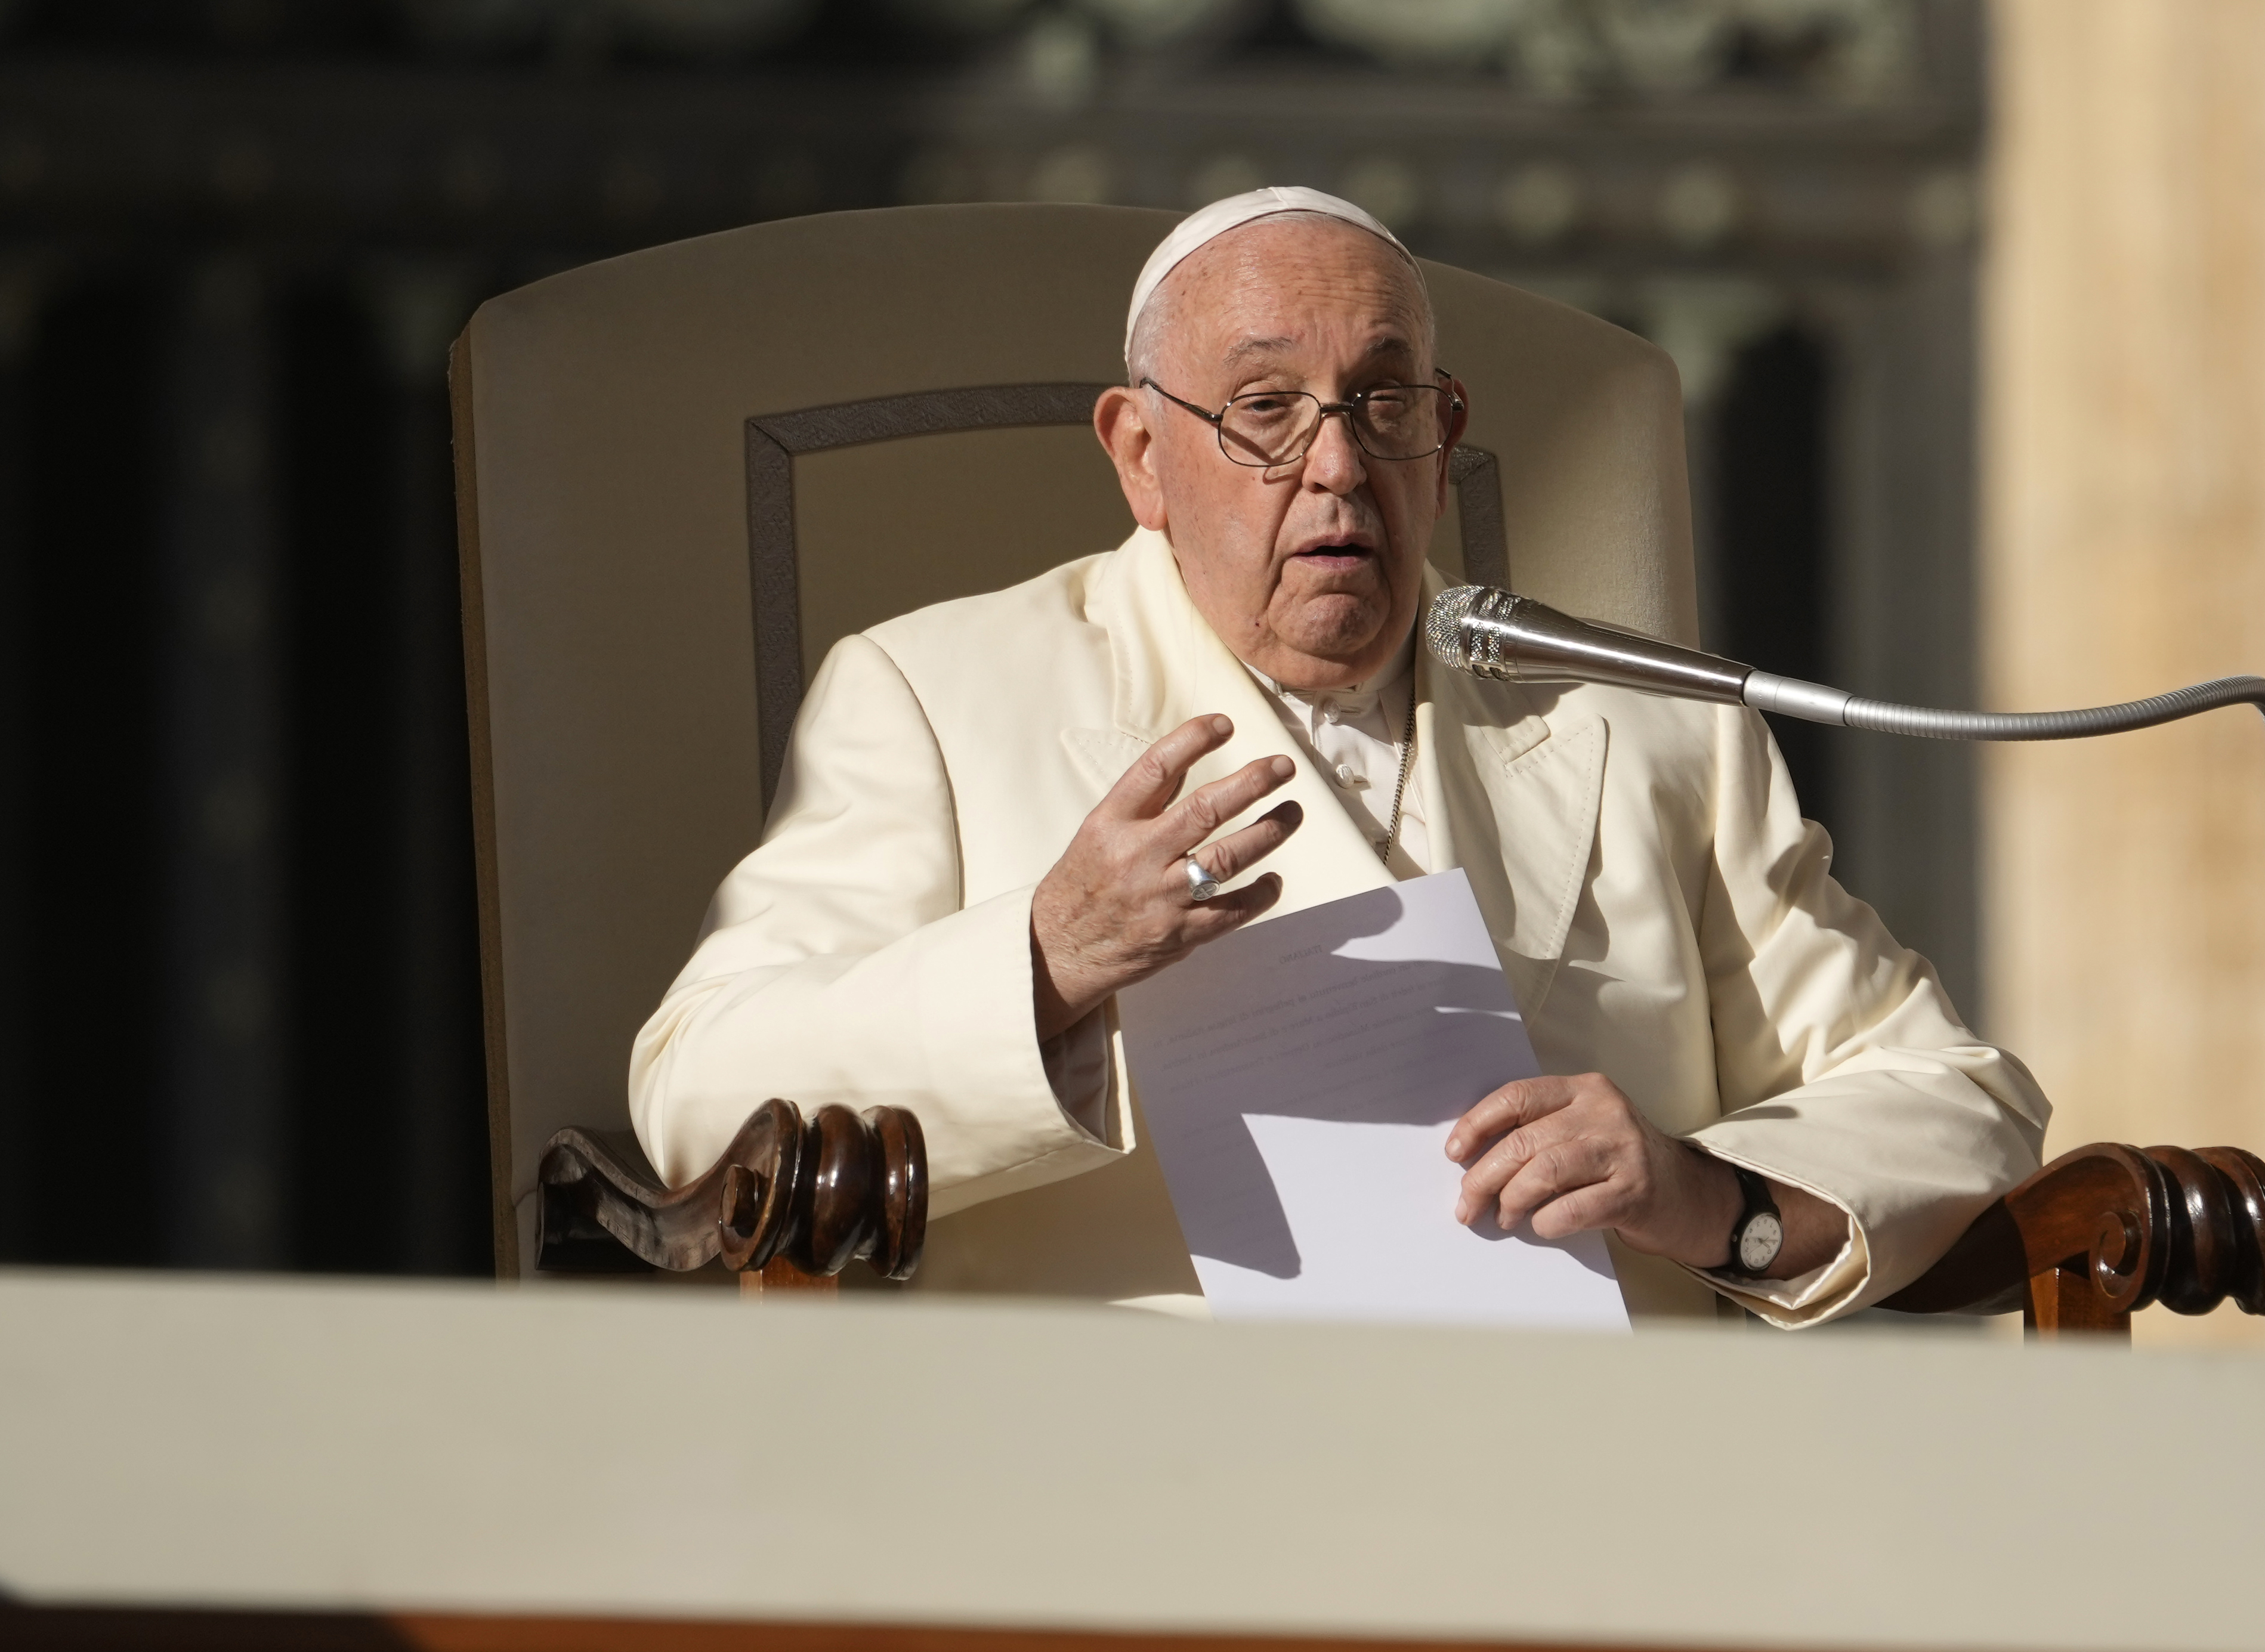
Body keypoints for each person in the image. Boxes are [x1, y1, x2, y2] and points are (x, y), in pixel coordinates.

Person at [630, 188, 2047, 1325]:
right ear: (1139, 453)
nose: (1336, 468)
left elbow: (1952, 1096)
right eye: (1264, 409)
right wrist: (1047, 961)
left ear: (1443, 437)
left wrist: (1708, 1198)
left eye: (1383, 405)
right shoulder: (934, 697)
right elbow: (697, 1093)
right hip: (1128, 1486)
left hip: (1593, 1495)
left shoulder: (1649, 723)